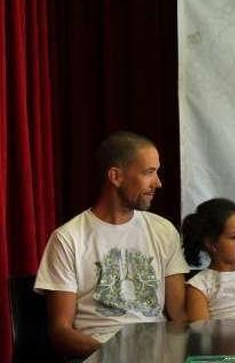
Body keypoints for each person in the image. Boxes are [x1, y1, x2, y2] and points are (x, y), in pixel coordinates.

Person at [34, 131, 189, 357]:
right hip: (101, 354)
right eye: (149, 172)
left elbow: (180, 315)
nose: (158, 183)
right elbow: (60, 332)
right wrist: (118, 354)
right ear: (115, 176)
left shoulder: (163, 230)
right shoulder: (68, 238)